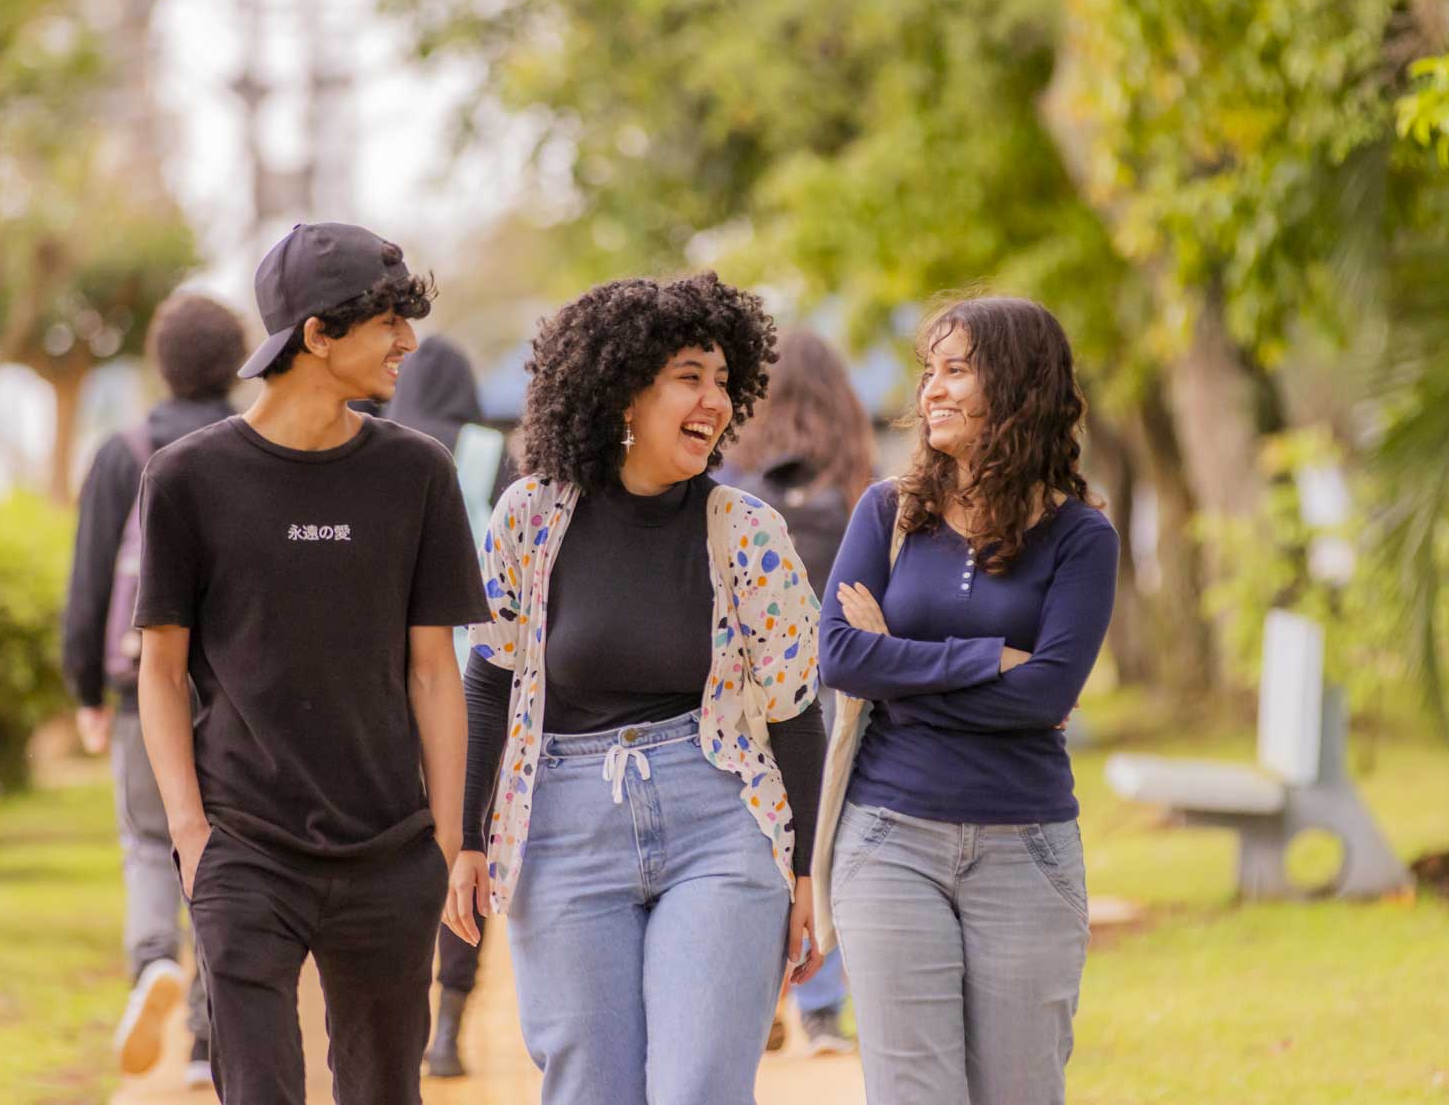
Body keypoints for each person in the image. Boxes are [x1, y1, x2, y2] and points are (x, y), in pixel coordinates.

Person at [444, 272, 828, 1105]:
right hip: (564, 825)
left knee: (697, 1087)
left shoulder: (747, 533)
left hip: (721, 821)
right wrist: (466, 839)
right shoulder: (529, 518)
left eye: (725, 381)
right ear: (622, 391)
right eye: (690, 376)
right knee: (591, 1088)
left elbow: (796, 714)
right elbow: (490, 684)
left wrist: (804, 878)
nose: (715, 401)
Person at [132, 222, 490, 1105]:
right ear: (318, 335)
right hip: (243, 848)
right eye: (388, 322)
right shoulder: (186, 480)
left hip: (389, 849)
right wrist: (190, 835)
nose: (408, 341)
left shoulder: (419, 473)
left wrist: (444, 840)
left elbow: (435, 673)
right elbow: (161, 669)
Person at [817, 296, 1119, 1104]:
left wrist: (901, 673)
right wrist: (989, 658)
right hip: (889, 840)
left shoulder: (1082, 537)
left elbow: (1048, 693)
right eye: (929, 372)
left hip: (1028, 850)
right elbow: (841, 656)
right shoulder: (886, 512)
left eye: (957, 371)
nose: (931, 392)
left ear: (1017, 386)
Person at [60, 291, 246, 1086]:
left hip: (143, 686)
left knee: (147, 840)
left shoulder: (123, 450)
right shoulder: (253, 446)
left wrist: (86, 691)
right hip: (238, 689)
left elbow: (90, 582)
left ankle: (149, 968)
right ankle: (207, 1036)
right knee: (223, 845)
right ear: (238, 363)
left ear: (160, 363)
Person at [719, 328, 875, 1057]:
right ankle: (819, 1007)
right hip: (834, 695)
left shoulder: (731, 485)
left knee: (754, 845)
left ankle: (760, 1000)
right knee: (822, 847)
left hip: (747, 699)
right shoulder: (857, 491)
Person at [375, 334, 501, 1080]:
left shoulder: (381, 449)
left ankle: (401, 1008)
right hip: (478, 682)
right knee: (465, 852)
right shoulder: (490, 451)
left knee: (398, 855)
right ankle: (449, 1026)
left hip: (395, 683)